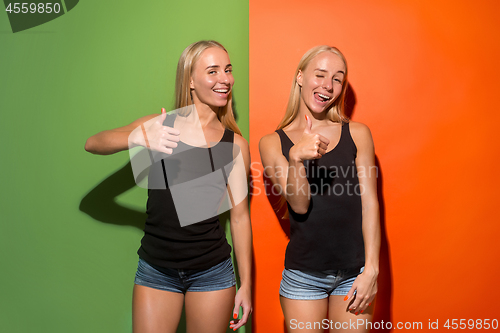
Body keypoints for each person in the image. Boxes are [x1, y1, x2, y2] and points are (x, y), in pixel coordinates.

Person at [85, 40, 252, 333]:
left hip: (212, 272)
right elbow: (93, 144)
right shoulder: (159, 126)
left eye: (227, 70)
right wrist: (136, 138)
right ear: (190, 79)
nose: (224, 79)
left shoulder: (235, 145)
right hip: (156, 270)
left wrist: (247, 286)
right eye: (212, 71)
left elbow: (239, 219)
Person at [259, 45, 380, 332]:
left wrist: (371, 269)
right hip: (303, 277)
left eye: (337, 79)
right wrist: (296, 157)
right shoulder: (272, 143)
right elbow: (299, 206)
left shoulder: (358, 134)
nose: (328, 85)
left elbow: (370, 204)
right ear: (300, 77)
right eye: (320, 74)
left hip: (355, 273)